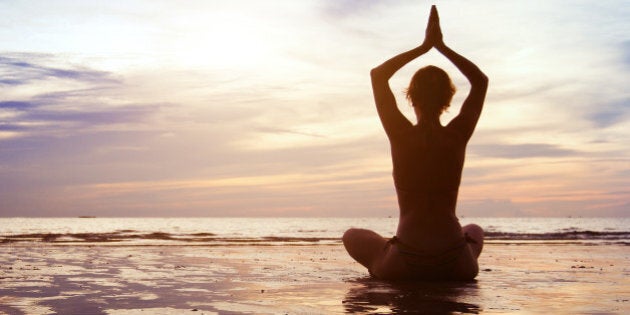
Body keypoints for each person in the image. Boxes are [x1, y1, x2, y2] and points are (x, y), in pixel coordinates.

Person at [342, 5, 488, 281]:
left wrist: (424, 47)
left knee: (351, 236)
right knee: (474, 229)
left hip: (405, 262)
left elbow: (378, 75)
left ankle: (390, 248)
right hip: (456, 262)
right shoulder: (457, 134)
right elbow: (479, 81)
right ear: (448, 100)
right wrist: (441, 47)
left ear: (410, 97)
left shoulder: (400, 133)